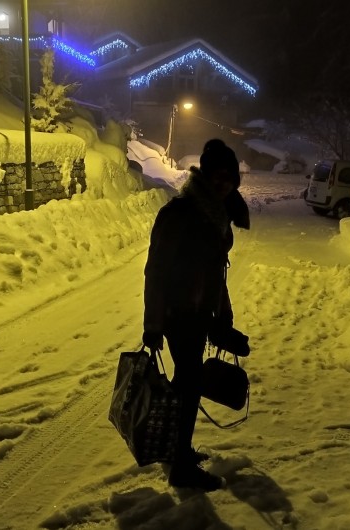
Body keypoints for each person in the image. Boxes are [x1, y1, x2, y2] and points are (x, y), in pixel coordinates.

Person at [142, 139, 249, 491]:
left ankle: (178, 450)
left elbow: (217, 270)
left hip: (200, 312)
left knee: (186, 384)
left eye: (229, 177)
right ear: (204, 175)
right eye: (217, 176)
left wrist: (224, 315)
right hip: (178, 313)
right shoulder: (181, 212)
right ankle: (181, 467)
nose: (223, 183)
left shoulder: (217, 211)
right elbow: (155, 271)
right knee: (188, 386)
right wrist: (153, 324)